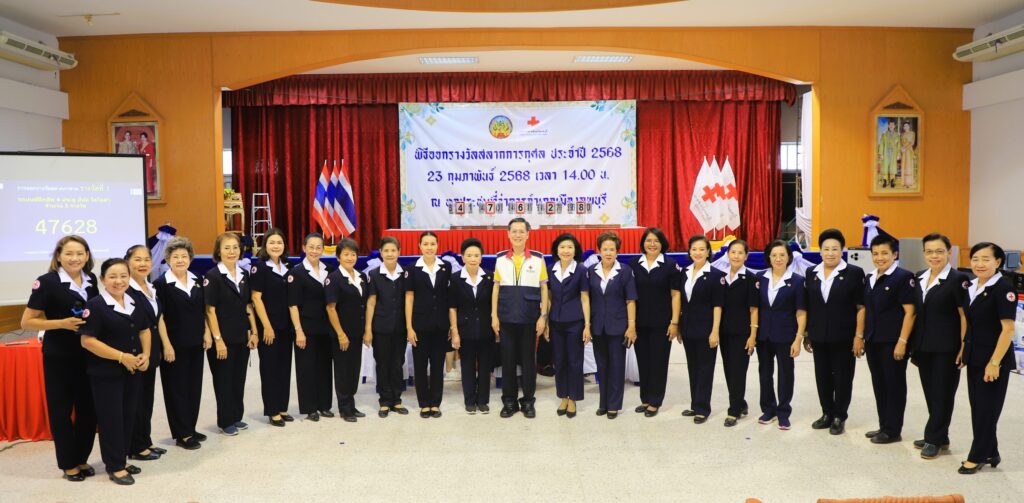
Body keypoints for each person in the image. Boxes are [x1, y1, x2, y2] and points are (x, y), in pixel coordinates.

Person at [21, 236, 99, 481]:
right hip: (60, 355)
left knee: (88, 409)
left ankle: (82, 457)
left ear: (87, 255)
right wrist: (61, 324)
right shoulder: (47, 282)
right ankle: (68, 463)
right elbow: (27, 322)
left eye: (80, 253)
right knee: (61, 410)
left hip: (89, 353)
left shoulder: (92, 279)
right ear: (58, 256)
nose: (75, 258)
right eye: (69, 254)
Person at [80, 258, 151, 485]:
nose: (118, 281)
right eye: (112, 276)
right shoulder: (95, 305)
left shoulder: (133, 301)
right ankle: (115, 466)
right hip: (106, 374)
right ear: (103, 279)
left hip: (132, 370)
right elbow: (87, 341)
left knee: (128, 416)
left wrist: (146, 354)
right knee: (111, 420)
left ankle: (121, 458)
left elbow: (144, 329)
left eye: (123, 276)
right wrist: (121, 357)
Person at [959, 242, 1017, 474]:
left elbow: (1008, 329)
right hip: (975, 357)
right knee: (979, 407)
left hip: (993, 360)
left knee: (986, 409)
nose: (979, 264)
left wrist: (994, 363)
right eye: (975, 259)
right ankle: (991, 451)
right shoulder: (973, 285)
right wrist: (964, 350)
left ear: (998, 262)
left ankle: (978, 455)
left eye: (986, 259)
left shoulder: (1003, 288)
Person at [909, 233, 968, 459]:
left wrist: (964, 346)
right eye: (929, 252)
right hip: (923, 345)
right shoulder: (920, 276)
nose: (934, 256)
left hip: (947, 347)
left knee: (943, 393)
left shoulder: (958, 280)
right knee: (931, 392)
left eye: (939, 251)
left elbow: (963, 316)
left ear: (949, 253)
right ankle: (940, 436)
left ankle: (933, 438)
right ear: (924, 253)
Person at [804, 229, 865, 436]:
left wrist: (858, 336)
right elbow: (810, 306)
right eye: (826, 249)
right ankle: (826, 413)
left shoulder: (854, 273)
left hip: (844, 337)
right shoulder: (811, 273)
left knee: (843, 378)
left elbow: (861, 307)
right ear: (820, 251)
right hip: (819, 336)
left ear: (842, 250)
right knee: (822, 377)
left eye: (835, 249)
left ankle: (839, 416)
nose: (830, 253)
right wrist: (807, 334)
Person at [153, 237, 210, 449]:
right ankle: (182, 433)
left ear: (190, 259)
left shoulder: (197, 279)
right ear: (168, 259)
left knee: (193, 387)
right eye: (175, 256)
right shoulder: (161, 284)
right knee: (176, 389)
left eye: (184, 256)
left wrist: (207, 332)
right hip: (174, 346)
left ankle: (190, 427)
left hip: (196, 342)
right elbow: (159, 318)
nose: (180, 260)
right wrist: (166, 345)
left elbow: (203, 310)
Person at [492, 218, 549, 418]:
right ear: (508, 234)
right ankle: (509, 402)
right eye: (514, 231)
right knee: (507, 362)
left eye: (521, 231)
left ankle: (528, 402)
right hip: (506, 318)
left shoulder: (538, 259)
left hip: (529, 319)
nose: (517, 235)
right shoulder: (500, 259)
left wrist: (543, 316)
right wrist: (494, 315)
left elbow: (544, 288)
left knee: (528, 362)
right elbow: (496, 288)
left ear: (527, 234)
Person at [863, 234, 916, 444]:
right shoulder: (870, 277)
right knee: (879, 384)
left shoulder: (903, 277)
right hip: (873, 340)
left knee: (894, 385)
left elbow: (910, 313)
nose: (879, 257)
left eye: (884, 253)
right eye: (875, 253)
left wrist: (902, 342)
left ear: (895, 254)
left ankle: (893, 430)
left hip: (893, 342)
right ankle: (884, 425)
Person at [205, 232, 258, 435]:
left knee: (238, 378)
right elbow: (210, 310)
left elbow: (248, 305)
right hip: (223, 338)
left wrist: (253, 331)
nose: (231, 251)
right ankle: (225, 420)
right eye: (226, 248)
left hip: (241, 336)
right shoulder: (213, 276)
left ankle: (236, 416)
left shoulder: (243, 274)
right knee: (224, 380)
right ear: (219, 251)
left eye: (235, 247)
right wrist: (218, 340)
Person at [627, 227, 680, 418]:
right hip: (640, 323)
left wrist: (674, 322)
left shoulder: (670, 265)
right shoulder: (634, 264)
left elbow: (675, 295)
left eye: (656, 241)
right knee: (643, 361)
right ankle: (645, 398)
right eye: (648, 240)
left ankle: (655, 400)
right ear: (643, 243)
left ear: (662, 244)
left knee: (658, 362)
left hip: (662, 323)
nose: (652, 244)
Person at [754, 240, 807, 431]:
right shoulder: (760, 278)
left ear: (788, 257)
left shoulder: (797, 281)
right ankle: (768, 409)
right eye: (774, 255)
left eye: (782, 255)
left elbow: (801, 312)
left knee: (786, 374)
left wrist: (798, 339)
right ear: (768, 257)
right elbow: (754, 308)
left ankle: (783, 412)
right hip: (763, 336)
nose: (778, 259)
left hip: (786, 336)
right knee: (765, 373)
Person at [587, 232, 638, 419]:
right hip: (598, 326)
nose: (608, 253)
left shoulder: (625, 271)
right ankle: (603, 403)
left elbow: (630, 300)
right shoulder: (591, 271)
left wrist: (631, 326)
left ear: (617, 251)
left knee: (616, 366)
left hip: (618, 326)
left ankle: (614, 405)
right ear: (599, 251)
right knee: (602, 366)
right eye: (605, 249)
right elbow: (587, 299)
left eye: (612, 249)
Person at [124, 245, 167, 461]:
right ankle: (135, 446)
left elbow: (156, 319)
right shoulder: (125, 289)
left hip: (151, 352)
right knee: (136, 402)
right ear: (127, 262)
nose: (143, 264)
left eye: (147, 259)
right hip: (136, 353)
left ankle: (145, 441)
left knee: (146, 400)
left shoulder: (150, 287)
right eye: (137, 259)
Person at [250, 228, 295, 427]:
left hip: (286, 326)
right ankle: (272, 410)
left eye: (279, 242)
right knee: (270, 369)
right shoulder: (259, 268)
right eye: (272, 242)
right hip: (269, 327)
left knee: (284, 367)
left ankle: (282, 407)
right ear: (265, 245)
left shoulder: (288, 267)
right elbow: (256, 298)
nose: (276, 246)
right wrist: (267, 327)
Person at [405, 231, 452, 418]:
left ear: (437, 246)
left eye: (433, 244)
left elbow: (449, 297)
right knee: (420, 365)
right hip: (419, 325)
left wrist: (451, 325)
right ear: (419, 246)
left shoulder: (446, 267)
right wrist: (409, 327)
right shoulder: (412, 269)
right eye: (426, 244)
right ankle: (424, 403)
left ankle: (435, 403)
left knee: (437, 366)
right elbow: (409, 299)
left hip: (441, 325)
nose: (429, 247)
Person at [288, 233, 334, 421]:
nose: (315, 251)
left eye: (318, 247)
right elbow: (292, 305)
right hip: (305, 329)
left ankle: (324, 405)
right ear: (304, 248)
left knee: (324, 367)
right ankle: (310, 408)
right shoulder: (296, 273)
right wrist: (298, 331)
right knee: (306, 368)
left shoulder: (329, 270)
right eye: (311, 247)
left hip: (326, 328)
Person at [679, 235, 724, 424]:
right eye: (694, 249)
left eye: (702, 249)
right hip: (688, 329)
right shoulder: (684, 272)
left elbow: (717, 306)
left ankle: (703, 408)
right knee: (693, 367)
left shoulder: (716, 275)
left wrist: (715, 331)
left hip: (706, 329)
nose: (697, 253)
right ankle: (695, 404)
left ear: (708, 252)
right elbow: (682, 302)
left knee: (705, 368)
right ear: (689, 252)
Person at [448, 238, 496, 414]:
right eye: (469, 255)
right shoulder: (455, 278)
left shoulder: (490, 277)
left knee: (485, 367)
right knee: (467, 366)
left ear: (481, 258)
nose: (473, 258)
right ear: (463, 258)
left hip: (486, 329)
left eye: (476, 255)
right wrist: (455, 331)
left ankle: (483, 401)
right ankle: (469, 401)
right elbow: (452, 307)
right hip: (465, 330)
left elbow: (494, 305)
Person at [545, 233, 590, 418]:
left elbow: (585, 298)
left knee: (574, 361)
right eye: (562, 247)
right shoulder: (550, 269)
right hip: (555, 322)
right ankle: (563, 396)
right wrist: (546, 321)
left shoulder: (580, 269)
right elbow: (548, 297)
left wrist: (587, 325)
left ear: (575, 250)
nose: (566, 250)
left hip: (575, 322)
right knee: (560, 361)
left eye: (570, 247)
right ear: (556, 250)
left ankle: (573, 399)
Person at [364, 237, 409, 418]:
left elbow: (409, 301)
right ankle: (384, 401)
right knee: (382, 363)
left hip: (400, 327)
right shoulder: (374, 274)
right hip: (380, 327)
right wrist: (368, 329)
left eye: (393, 250)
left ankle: (396, 400)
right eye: (386, 250)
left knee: (398, 362)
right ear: (381, 253)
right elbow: (371, 303)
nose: (390, 254)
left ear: (399, 252)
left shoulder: (405, 274)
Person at [325, 238, 369, 422]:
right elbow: (331, 308)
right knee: (343, 371)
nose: (350, 257)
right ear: (338, 257)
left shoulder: (361, 276)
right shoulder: (334, 278)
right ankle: (344, 408)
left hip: (357, 332)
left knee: (353, 369)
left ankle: (351, 403)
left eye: (353, 254)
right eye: (346, 254)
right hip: (342, 334)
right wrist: (341, 334)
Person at [718, 239, 759, 427]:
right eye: (733, 252)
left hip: (742, 333)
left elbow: (754, 309)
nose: (736, 256)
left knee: (738, 371)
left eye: (740, 252)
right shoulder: (721, 277)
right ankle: (740, 403)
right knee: (729, 370)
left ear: (746, 256)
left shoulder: (751, 279)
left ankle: (733, 411)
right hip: (724, 332)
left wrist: (753, 336)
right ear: (728, 254)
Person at [877, 119, 900, 189]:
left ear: (894, 126)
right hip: (886, 153)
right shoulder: (884, 135)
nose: (891, 126)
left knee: (892, 167)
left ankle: (892, 181)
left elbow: (898, 146)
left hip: (893, 154)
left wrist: (898, 154)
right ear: (888, 126)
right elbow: (881, 144)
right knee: (885, 166)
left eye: (892, 125)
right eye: (890, 125)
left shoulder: (897, 135)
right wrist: (881, 154)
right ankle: (885, 181)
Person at [900, 122, 917, 188]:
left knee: (909, 165)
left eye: (907, 126)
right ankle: (904, 182)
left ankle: (909, 183)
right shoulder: (902, 135)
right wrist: (901, 148)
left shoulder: (912, 133)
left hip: (909, 151)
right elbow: (901, 143)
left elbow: (912, 143)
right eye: (904, 126)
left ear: (909, 126)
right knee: (904, 165)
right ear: (903, 127)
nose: (905, 127)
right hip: (904, 152)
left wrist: (905, 148)